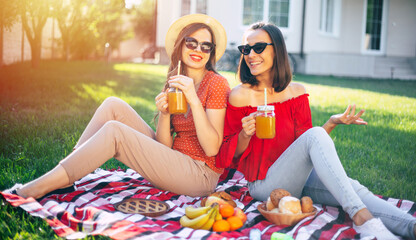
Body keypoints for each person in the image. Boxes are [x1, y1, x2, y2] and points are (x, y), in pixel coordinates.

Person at [215, 22, 416, 239]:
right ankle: (360, 217)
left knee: (352, 189)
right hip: (264, 185)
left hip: (299, 179)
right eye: (246, 49)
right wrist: (245, 134)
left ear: (278, 49)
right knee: (325, 150)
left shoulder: (297, 93)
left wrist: (330, 123)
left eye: (259, 47)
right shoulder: (239, 96)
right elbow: (228, 156)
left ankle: (409, 227)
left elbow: (307, 146)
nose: (251, 55)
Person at [6, 14, 230, 199]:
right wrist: (164, 114)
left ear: (211, 52)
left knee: (115, 131)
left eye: (206, 46)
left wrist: (193, 99)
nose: (198, 49)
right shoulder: (176, 80)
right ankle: (64, 176)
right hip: (174, 160)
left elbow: (212, 149)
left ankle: (38, 188)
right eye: (191, 42)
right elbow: (164, 146)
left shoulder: (217, 84)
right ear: (181, 44)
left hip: (199, 174)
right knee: (113, 105)